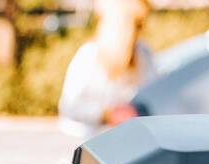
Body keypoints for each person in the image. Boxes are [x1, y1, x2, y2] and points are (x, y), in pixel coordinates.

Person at [58, 0, 156, 137]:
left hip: (127, 139)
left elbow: (153, 95)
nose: (139, 31)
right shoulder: (89, 55)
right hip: (87, 139)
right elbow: (70, 106)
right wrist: (107, 113)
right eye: (135, 25)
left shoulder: (143, 53)